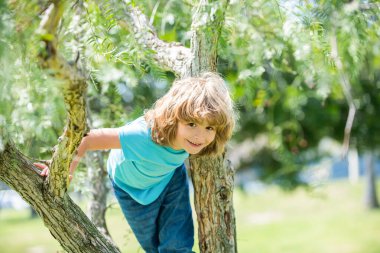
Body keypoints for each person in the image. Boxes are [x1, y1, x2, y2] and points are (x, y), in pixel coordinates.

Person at [35, 72, 236, 253]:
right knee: (152, 246)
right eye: (192, 124)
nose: (200, 136)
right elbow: (86, 138)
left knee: (177, 245)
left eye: (209, 128)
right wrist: (63, 171)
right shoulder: (141, 135)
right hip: (131, 190)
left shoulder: (196, 142)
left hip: (170, 178)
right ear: (174, 117)